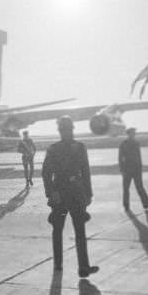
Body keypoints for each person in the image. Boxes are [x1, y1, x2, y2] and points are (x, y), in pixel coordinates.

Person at [42, 116, 98, 278]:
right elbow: (46, 173)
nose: (67, 132)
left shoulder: (80, 147)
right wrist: (51, 192)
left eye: (69, 129)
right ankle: (58, 264)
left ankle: (83, 267)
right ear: (60, 131)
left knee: (80, 230)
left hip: (75, 193)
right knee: (58, 229)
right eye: (64, 130)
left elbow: (86, 172)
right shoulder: (53, 149)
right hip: (61, 193)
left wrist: (88, 194)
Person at [118, 127, 148, 211]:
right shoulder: (123, 144)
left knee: (140, 187)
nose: (134, 134)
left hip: (136, 169)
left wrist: (140, 167)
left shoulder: (136, 143)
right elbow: (120, 158)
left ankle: (146, 204)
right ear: (129, 134)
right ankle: (126, 206)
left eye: (134, 132)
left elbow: (138, 156)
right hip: (127, 169)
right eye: (133, 132)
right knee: (126, 189)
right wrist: (122, 169)